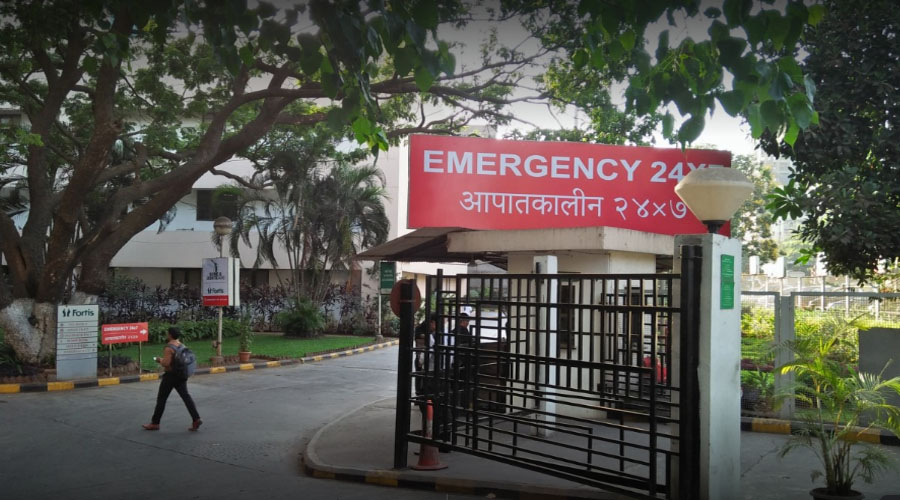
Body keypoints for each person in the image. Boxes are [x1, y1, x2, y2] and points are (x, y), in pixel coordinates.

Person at [142, 327, 202, 431]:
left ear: (170, 335)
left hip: (170, 376)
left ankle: (155, 423)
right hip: (181, 375)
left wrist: (159, 359)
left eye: (167, 333)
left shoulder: (169, 348)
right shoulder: (181, 345)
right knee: (186, 397)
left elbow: (166, 363)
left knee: (162, 399)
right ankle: (196, 418)